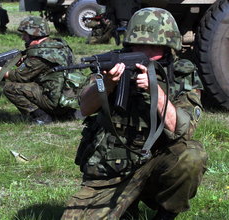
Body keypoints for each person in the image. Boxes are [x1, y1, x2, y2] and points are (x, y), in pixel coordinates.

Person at [61, 8, 207, 219]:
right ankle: (127, 209)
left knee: (192, 155)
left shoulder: (182, 72)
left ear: (168, 47)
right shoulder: (112, 63)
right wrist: (108, 85)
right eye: (138, 45)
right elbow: (85, 107)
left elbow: (182, 129)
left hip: (156, 167)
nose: (145, 53)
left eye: (153, 46)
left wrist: (155, 90)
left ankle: (165, 216)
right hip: (110, 173)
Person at [0, 16, 79, 125]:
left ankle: (42, 117)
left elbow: (18, 76)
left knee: (10, 88)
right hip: (71, 99)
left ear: (33, 34)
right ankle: (66, 113)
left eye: (25, 35)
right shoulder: (59, 45)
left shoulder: (39, 54)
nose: (23, 38)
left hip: (56, 102)